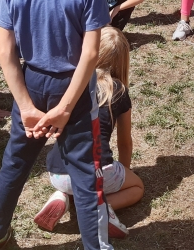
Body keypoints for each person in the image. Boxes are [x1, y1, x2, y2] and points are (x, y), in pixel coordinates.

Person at [0, 0, 113, 250]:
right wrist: (67, 107)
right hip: (74, 88)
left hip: (31, 83)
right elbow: (90, 54)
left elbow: (5, 53)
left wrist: (25, 106)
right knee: (85, 174)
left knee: (15, 162)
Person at [35, 27, 144, 237]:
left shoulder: (70, 85)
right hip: (97, 172)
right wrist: (125, 171)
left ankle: (62, 196)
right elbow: (124, 142)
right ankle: (99, 207)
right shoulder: (118, 92)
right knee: (137, 188)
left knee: (77, 183)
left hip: (57, 172)